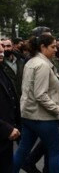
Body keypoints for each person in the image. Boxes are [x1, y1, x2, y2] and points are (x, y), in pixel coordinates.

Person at [13, 34, 59, 173]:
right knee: (54, 151)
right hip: (42, 117)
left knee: (23, 150)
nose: (55, 50)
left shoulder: (32, 62)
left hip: (29, 115)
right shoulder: (42, 65)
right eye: (52, 47)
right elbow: (40, 95)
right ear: (42, 47)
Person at [0, 40, 21, 173]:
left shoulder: (3, 69)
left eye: (2, 49)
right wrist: (6, 129)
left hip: (6, 136)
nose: (2, 51)